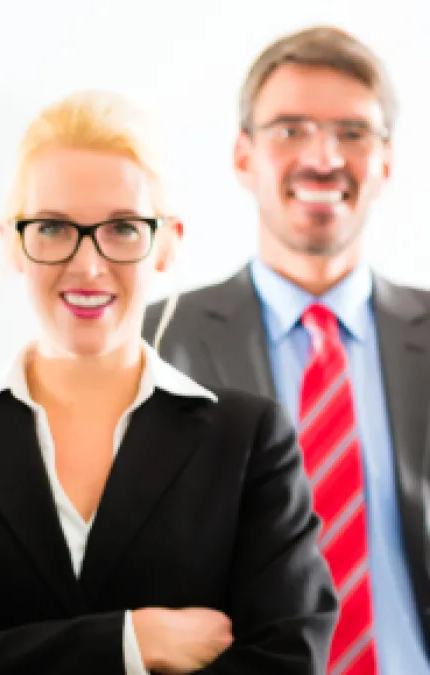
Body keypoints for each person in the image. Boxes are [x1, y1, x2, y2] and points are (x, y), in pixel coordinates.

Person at [0, 90, 337, 674]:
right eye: (53, 227)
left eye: (123, 228)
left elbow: (289, 662)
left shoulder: (249, 440)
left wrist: (3, 650)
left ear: (167, 243)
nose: (88, 265)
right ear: (14, 243)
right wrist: (131, 641)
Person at [145, 25, 430, 674]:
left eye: (353, 132)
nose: (323, 158)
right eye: (290, 129)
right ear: (243, 156)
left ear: (386, 162)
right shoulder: (158, 342)